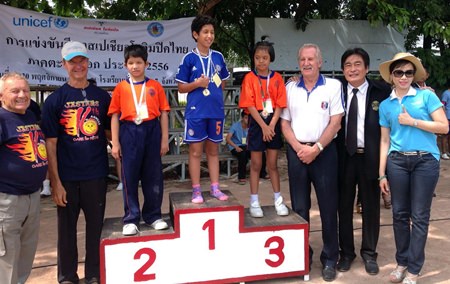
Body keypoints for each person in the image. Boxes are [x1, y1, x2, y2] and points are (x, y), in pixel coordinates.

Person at [41, 41, 111, 284]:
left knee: (95, 229)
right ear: (64, 65)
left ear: (88, 62)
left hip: (96, 174)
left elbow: (113, 134)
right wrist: (55, 182)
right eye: (72, 62)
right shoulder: (54, 101)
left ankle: (93, 274)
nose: (78, 65)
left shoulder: (102, 97)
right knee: (67, 231)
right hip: (67, 178)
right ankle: (67, 277)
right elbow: (50, 145)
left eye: (82, 60)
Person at [378, 52, 448, 284]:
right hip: (397, 161)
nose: (404, 77)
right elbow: (384, 141)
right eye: (399, 72)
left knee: (419, 216)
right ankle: (402, 262)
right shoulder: (386, 105)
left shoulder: (426, 97)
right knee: (399, 215)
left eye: (409, 72)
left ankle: (414, 270)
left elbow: (444, 127)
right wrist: (381, 174)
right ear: (392, 76)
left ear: (413, 75)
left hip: (425, 161)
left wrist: (414, 122)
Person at [280, 43, 343, 282]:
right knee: (299, 207)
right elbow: (284, 123)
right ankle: (302, 255)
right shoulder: (290, 87)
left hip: (324, 152)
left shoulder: (333, 86)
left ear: (320, 62)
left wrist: (316, 149)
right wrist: (299, 148)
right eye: (302, 59)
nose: (306, 63)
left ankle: (329, 258)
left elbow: (335, 122)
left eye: (310, 59)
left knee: (328, 207)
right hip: (297, 152)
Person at [335, 47, 391, 276]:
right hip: (343, 158)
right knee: (344, 207)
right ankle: (346, 253)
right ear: (342, 70)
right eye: (348, 65)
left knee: (370, 208)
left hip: (370, 158)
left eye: (357, 64)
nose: (352, 69)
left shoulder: (382, 90)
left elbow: (403, 93)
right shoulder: (335, 89)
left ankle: (369, 253)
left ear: (366, 68)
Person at [108, 44, 170, 236]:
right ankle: (131, 218)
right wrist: (115, 142)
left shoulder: (155, 86)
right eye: (131, 63)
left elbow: (164, 113)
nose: (135, 66)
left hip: (151, 129)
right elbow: (115, 115)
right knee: (130, 176)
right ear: (125, 65)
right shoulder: (121, 88)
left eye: (139, 62)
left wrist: (164, 139)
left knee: (153, 176)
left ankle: (153, 215)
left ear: (146, 63)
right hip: (129, 131)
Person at [175, 14, 230, 203]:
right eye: (205, 32)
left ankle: (215, 188)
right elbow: (181, 87)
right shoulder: (189, 58)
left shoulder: (218, 57)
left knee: (214, 151)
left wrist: (213, 88)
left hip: (215, 112)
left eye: (212, 32)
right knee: (196, 152)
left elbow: (223, 81)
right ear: (195, 34)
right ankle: (196, 190)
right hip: (196, 112)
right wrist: (197, 84)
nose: (209, 36)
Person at [0, 72, 48, 284]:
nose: (22, 95)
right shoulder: (1, 119)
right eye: (15, 91)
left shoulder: (29, 114)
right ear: (1, 95)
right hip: (8, 200)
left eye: (26, 90)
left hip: (32, 196)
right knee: (7, 260)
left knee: (25, 255)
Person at [238, 41, 288, 218]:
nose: (261, 61)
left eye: (265, 58)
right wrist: (264, 126)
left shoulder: (277, 78)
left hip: (272, 122)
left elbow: (281, 105)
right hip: (257, 122)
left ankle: (278, 201)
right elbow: (249, 105)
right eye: (257, 58)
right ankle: (254, 201)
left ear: (271, 59)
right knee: (256, 164)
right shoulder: (249, 78)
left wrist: (272, 125)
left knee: (272, 165)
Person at [226, 111, 268, 185]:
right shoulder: (235, 126)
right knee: (242, 155)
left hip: (247, 146)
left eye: (249, 118)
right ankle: (241, 177)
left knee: (261, 153)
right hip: (236, 146)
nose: (247, 120)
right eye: (246, 118)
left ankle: (263, 173)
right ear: (242, 118)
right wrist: (236, 147)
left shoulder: (252, 126)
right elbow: (228, 139)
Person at [441, 86, 450, 160]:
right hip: (448, 117)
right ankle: (444, 153)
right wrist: (444, 117)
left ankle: (448, 152)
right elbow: (442, 104)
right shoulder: (446, 93)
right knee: (445, 135)